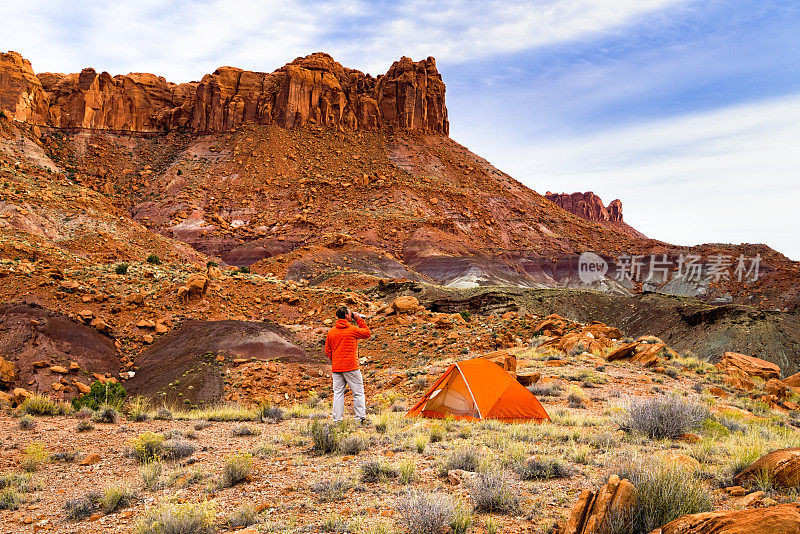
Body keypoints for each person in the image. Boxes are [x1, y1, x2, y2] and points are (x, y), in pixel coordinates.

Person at [325, 306, 371, 423]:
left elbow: (327, 351)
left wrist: (336, 360)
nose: (351, 315)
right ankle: (359, 419)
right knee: (358, 393)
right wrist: (359, 319)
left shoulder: (331, 332)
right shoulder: (352, 329)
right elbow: (367, 333)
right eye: (350, 314)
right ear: (346, 315)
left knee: (338, 394)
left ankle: (337, 420)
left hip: (337, 368)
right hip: (351, 367)